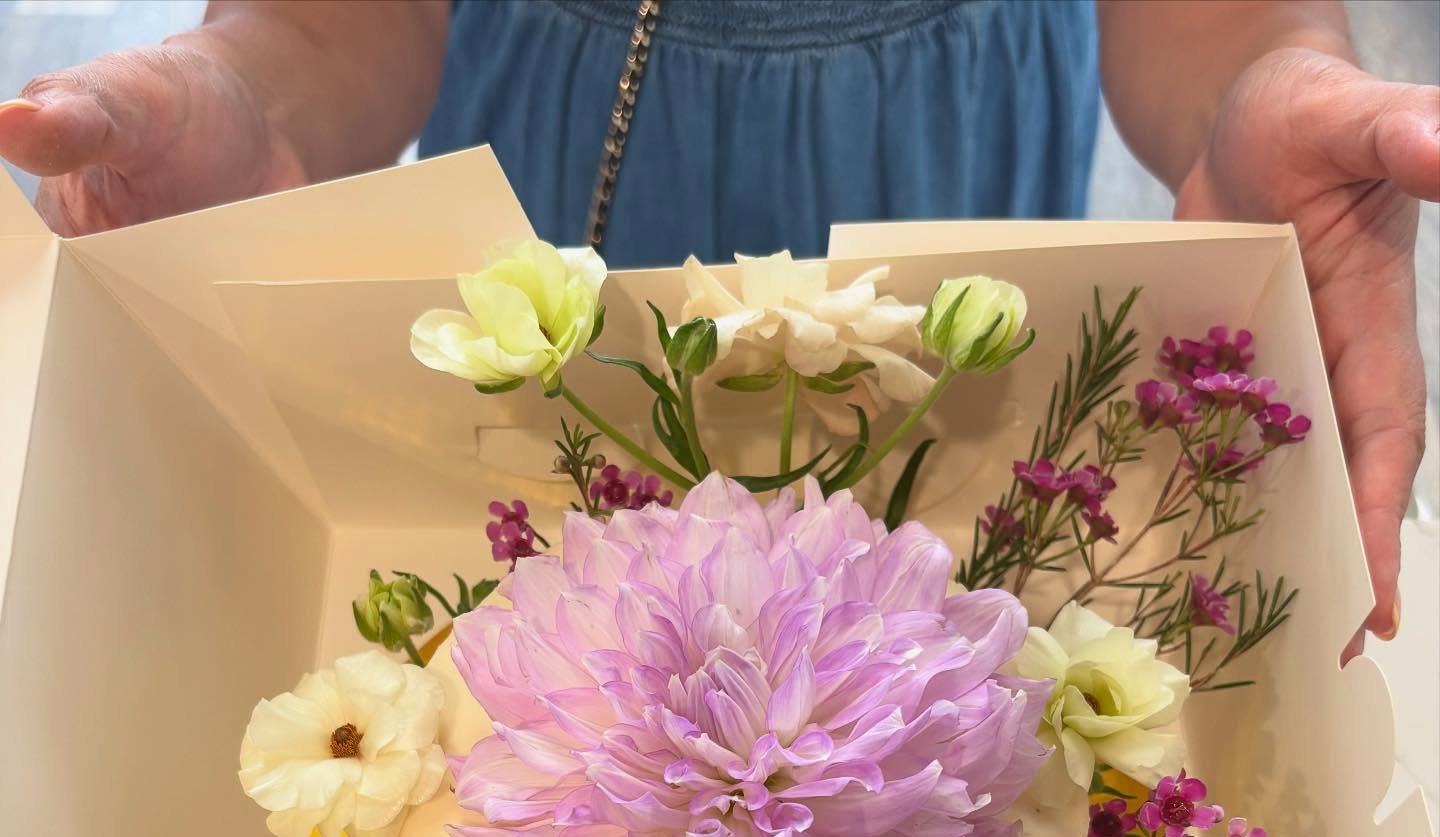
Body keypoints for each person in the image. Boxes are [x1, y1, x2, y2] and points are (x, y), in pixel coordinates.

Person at [1, 0, 1434, 645]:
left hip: (932, 129)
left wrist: (1269, 70)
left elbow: (1212, 21)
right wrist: (258, 86)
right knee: (571, 532)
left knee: (919, 546)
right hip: (573, 133)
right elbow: (335, 21)